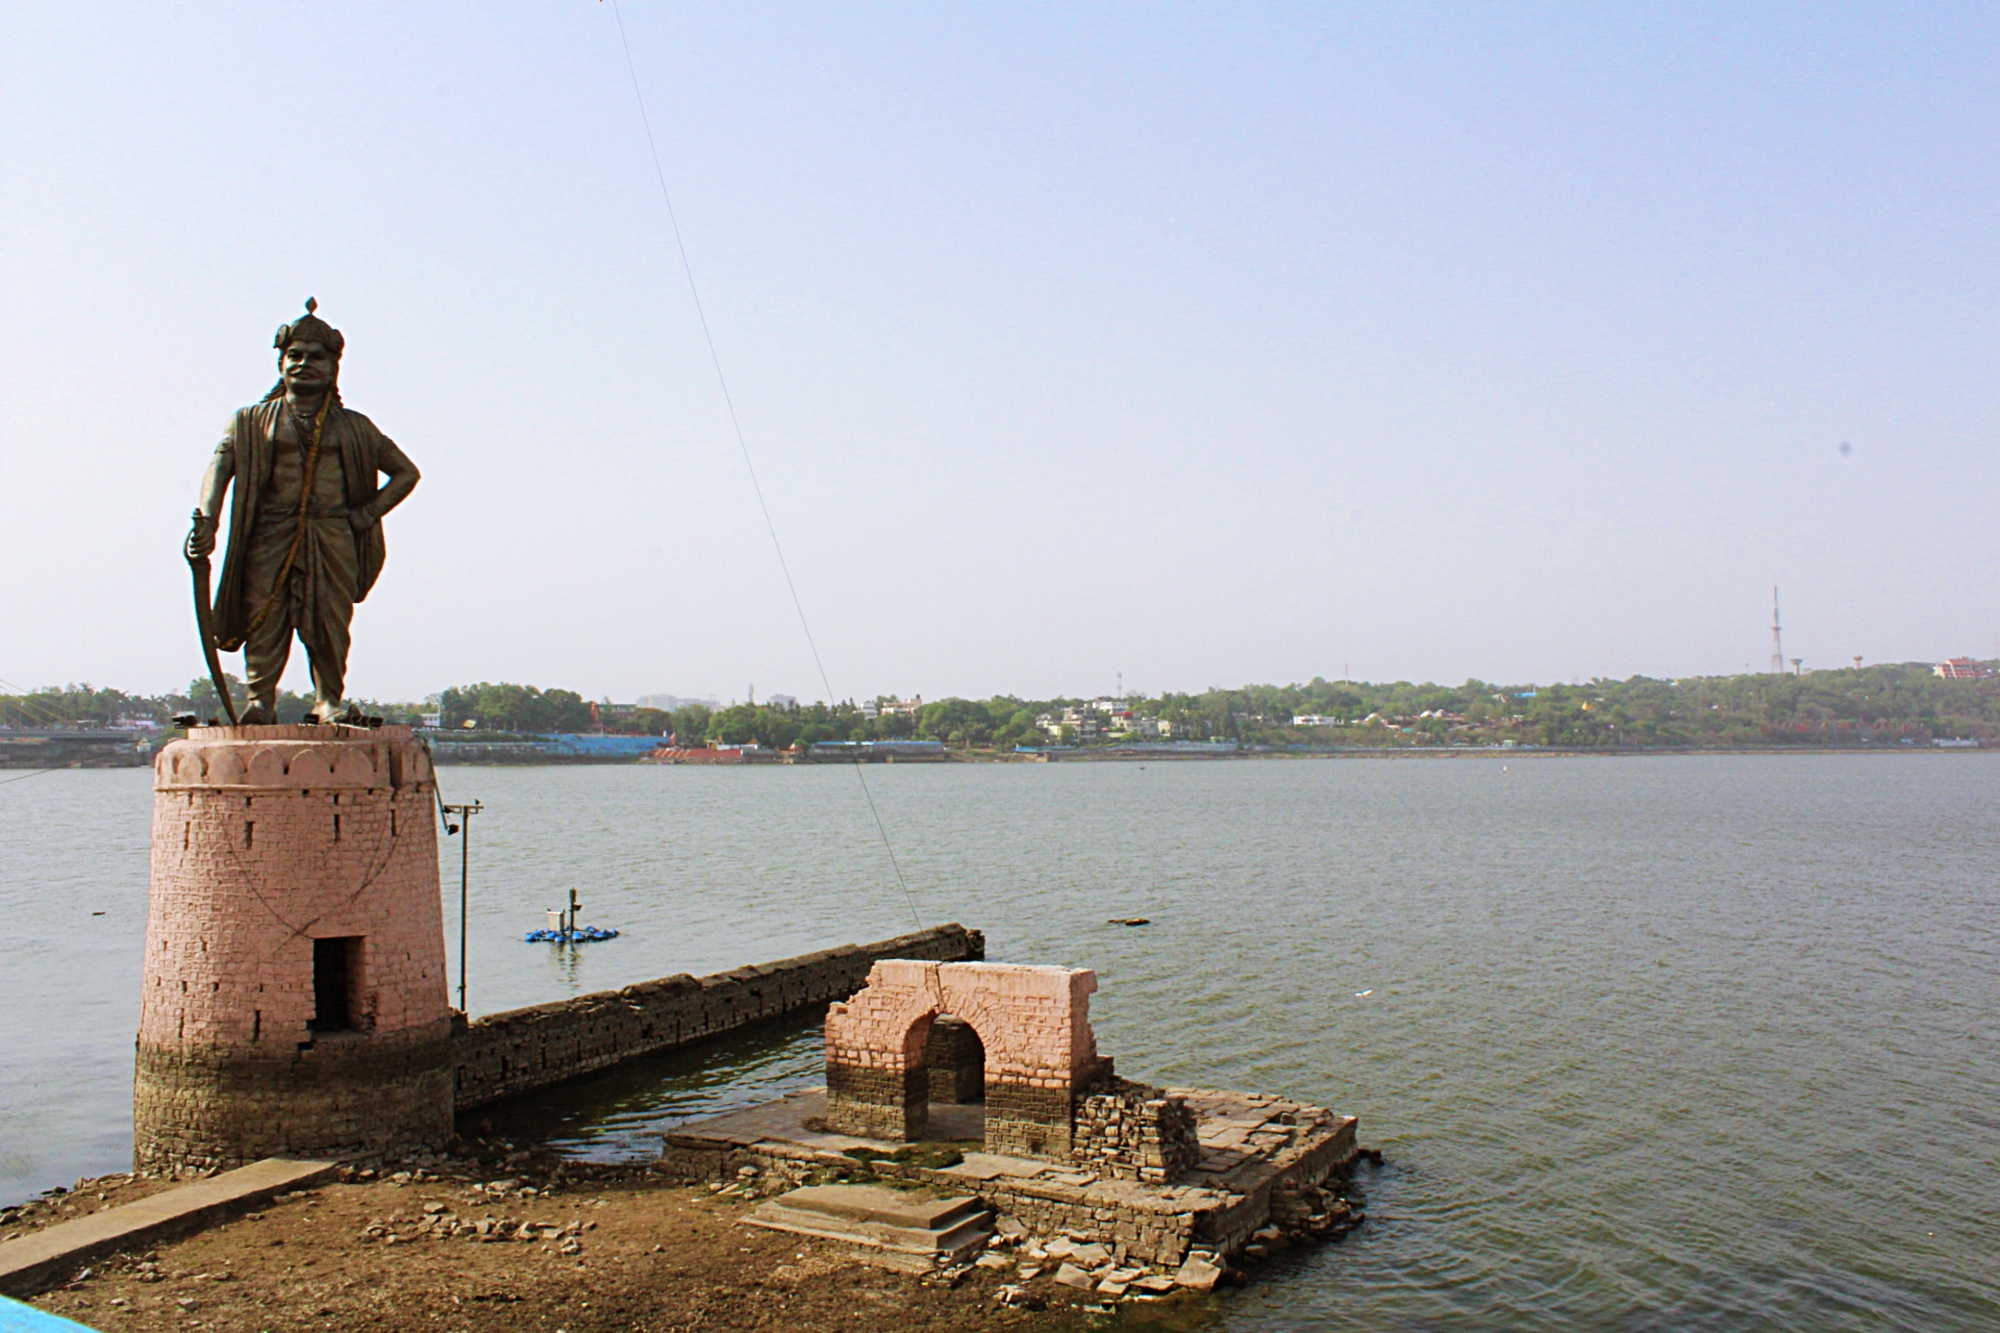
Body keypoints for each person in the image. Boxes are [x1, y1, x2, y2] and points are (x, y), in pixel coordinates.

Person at [186, 301, 419, 724]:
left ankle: (328, 699)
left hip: (330, 533)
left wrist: (367, 514)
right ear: (281, 363)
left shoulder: (354, 426)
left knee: (329, 619)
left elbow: (406, 472)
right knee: (264, 616)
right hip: (269, 533)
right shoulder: (250, 421)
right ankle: (260, 701)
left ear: (332, 368)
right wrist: (207, 521)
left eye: (316, 357)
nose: (304, 364)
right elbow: (218, 469)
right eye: (295, 355)